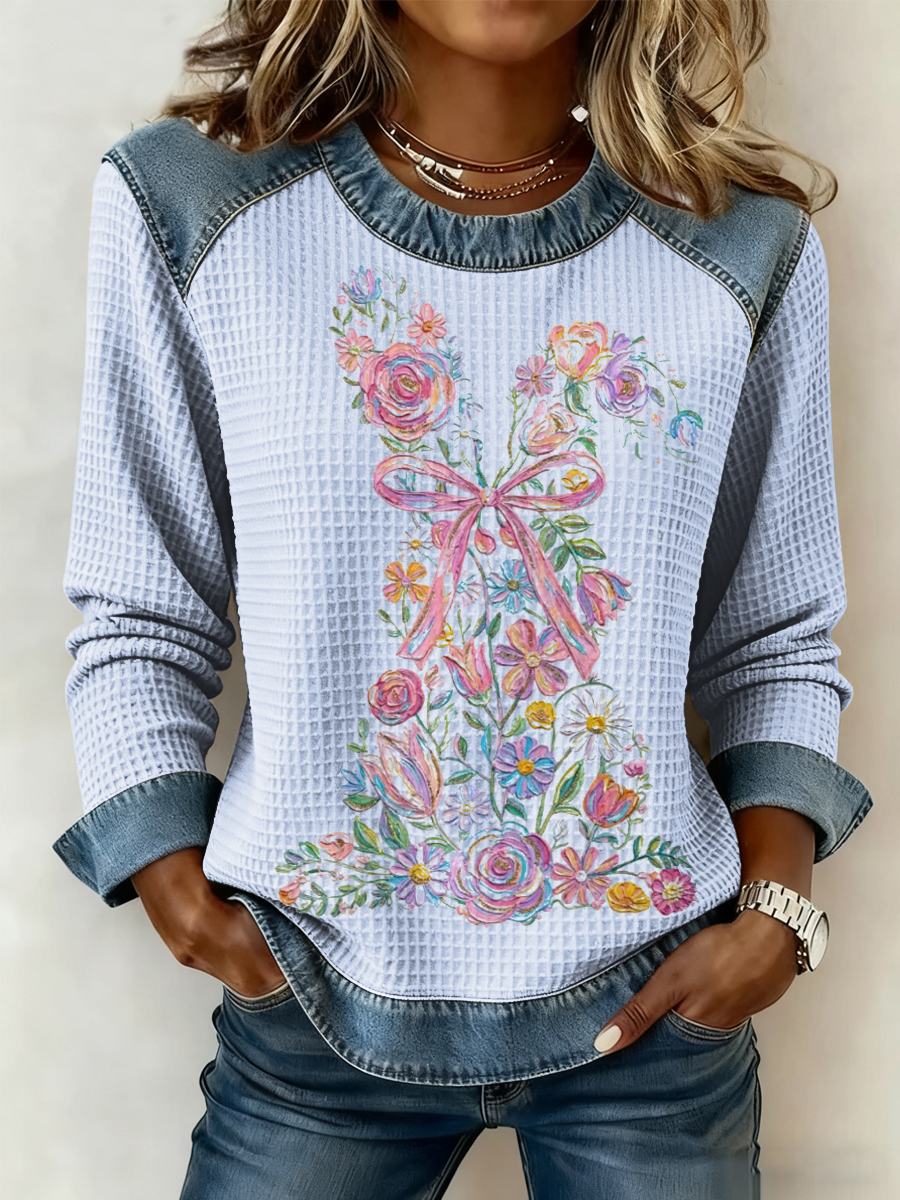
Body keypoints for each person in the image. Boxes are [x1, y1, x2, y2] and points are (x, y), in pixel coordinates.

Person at [53, 1, 873, 1196]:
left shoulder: (740, 245)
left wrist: (773, 920)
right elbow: (140, 605)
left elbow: (774, 635)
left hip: (658, 1016)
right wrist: (177, 891)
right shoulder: (192, 207)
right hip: (308, 1003)